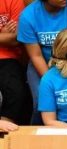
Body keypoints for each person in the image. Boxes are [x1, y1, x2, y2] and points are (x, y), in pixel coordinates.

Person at [17, 0, 67, 125]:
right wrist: (52, 81)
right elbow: (36, 55)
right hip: (43, 64)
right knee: (41, 101)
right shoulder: (28, 16)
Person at [0, 0, 29, 130]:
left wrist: (7, 36)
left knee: (16, 92)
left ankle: (4, 130)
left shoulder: (13, 1)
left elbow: (15, 39)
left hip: (7, 58)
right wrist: (2, 35)